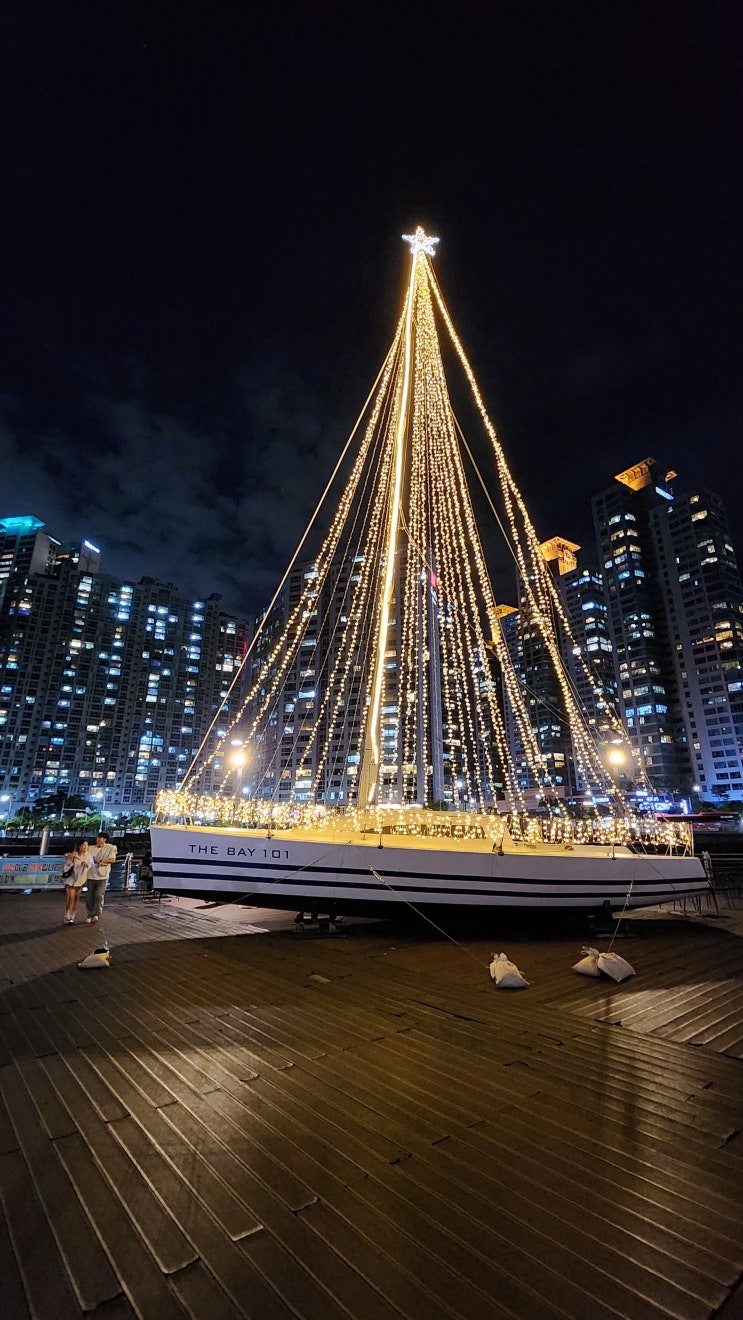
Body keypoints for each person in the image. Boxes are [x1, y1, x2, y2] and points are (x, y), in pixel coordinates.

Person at [85, 832, 117, 924]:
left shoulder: (109, 848)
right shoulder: (90, 848)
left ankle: (96, 914)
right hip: (90, 875)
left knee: (99, 895)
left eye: (101, 838)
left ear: (105, 839)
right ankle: (90, 914)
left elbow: (113, 860)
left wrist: (101, 860)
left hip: (102, 876)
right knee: (89, 896)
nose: (98, 840)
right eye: (98, 838)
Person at [64, 840, 93, 924]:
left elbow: (90, 865)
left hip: (80, 879)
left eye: (86, 845)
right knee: (71, 897)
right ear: (79, 846)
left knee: (76, 898)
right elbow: (68, 864)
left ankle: (72, 916)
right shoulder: (74, 854)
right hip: (71, 879)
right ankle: (67, 915)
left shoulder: (88, 856)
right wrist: (70, 858)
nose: (85, 847)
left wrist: (86, 865)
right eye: (83, 845)